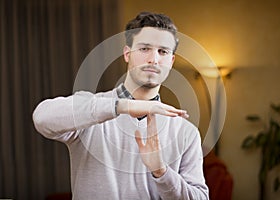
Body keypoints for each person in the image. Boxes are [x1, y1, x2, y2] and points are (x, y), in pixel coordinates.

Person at [33, 11, 209, 200]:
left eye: (163, 51)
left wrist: (161, 172)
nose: (154, 59)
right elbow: (42, 118)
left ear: (171, 61)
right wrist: (123, 106)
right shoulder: (91, 109)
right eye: (144, 49)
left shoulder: (185, 131)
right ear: (127, 53)